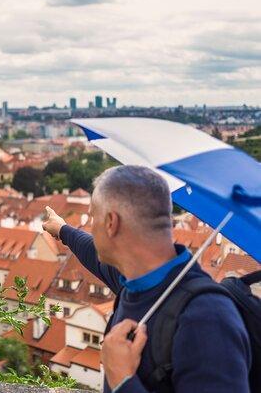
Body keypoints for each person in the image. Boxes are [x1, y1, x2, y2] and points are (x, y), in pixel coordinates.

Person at [42, 165, 251, 393]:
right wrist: (62, 230)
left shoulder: (207, 317)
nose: (92, 227)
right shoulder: (136, 278)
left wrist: (123, 381)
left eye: (93, 218)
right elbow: (92, 251)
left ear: (111, 223)